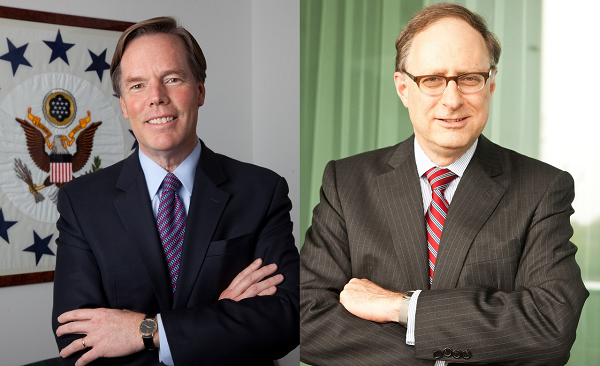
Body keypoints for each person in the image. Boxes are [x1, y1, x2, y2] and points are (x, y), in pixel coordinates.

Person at [300, 3, 587, 366]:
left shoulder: (543, 189)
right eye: (432, 80)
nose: (452, 100)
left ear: (491, 84)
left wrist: (401, 307)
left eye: (469, 78)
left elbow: (550, 326)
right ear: (403, 88)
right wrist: (449, 353)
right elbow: (306, 319)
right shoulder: (346, 183)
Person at [51, 17, 299, 366]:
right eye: (137, 86)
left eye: (172, 79)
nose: (156, 98)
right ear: (124, 105)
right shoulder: (82, 202)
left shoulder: (261, 191)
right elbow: (77, 342)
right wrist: (219, 317)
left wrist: (146, 332)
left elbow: (286, 319)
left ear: (199, 90)